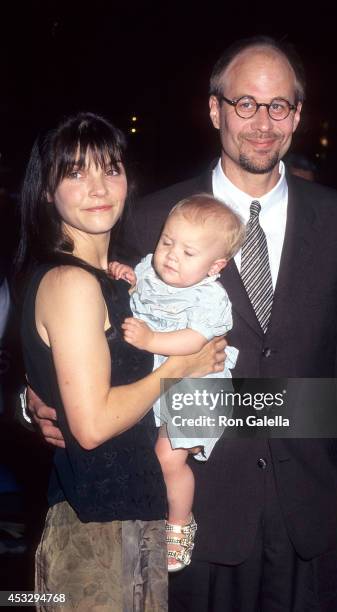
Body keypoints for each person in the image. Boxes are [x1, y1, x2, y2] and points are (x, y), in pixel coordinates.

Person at [29, 36, 337, 612]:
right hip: (191, 510)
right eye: (246, 103)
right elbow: (72, 323)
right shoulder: (144, 219)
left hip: (313, 506)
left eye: (279, 106)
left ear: (298, 115)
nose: (262, 123)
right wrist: (35, 399)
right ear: (215, 108)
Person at [16, 112, 225, 611]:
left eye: (110, 168)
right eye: (75, 172)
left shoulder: (129, 272)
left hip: (139, 517)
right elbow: (90, 427)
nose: (98, 186)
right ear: (46, 191)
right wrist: (177, 368)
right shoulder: (72, 283)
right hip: (98, 528)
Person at [109, 193, 244, 572]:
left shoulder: (211, 297)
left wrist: (151, 340)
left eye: (188, 252)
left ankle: (180, 525)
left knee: (169, 458)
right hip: (157, 382)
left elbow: (195, 342)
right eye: (167, 241)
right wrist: (127, 278)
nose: (170, 255)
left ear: (215, 265)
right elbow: (136, 295)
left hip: (199, 389)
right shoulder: (151, 270)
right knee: (153, 456)